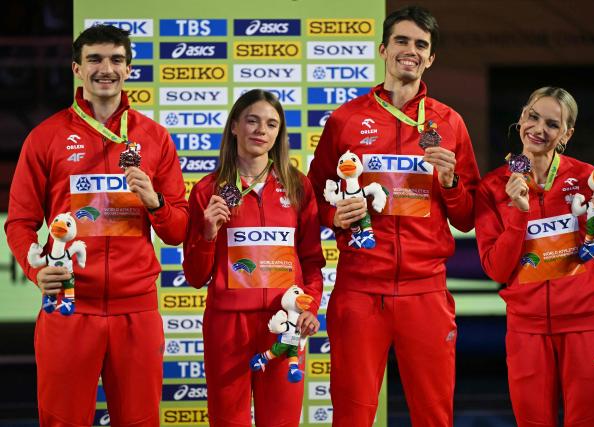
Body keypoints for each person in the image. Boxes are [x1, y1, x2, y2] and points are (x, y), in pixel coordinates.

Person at [5, 25, 188, 426]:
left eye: (116, 60)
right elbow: (20, 222)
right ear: (76, 68)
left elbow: (177, 231)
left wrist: (155, 202)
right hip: (69, 309)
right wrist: (37, 271)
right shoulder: (45, 137)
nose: (106, 68)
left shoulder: (155, 138)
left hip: (136, 311)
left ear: (129, 70)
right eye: (95, 59)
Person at [307, 6, 480, 426]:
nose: (411, 51)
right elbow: (313, 199)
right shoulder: (346, 119)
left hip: (426, 292)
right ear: (384, 49)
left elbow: (468, 216)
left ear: (431, 58)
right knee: (352, 416)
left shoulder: (449, 123)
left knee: (434, 416)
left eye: (421, 45)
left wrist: (451, 181)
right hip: (360, 290)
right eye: (402, 41)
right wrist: (336, 215)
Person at [475, 87, 594, 426]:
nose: (538, 129)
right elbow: (497, 268)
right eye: (532, 117)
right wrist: (518, 213)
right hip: (526, 329)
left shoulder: (590, 179)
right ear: (521, 119)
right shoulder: (493, 187)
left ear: (566, 134)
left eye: (551, 123)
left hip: (586, 323)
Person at [182, 89, 325, 427]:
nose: (262, 130)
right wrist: (207, 234)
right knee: (227, 421)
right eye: (253, 121)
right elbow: (194, 276)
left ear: (279, 134)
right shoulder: (208, 189)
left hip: (283, 323)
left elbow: (312, 262)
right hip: (227, 326)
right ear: (234, 126)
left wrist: (310, 308)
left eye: (272, 124)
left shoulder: (298, 186)